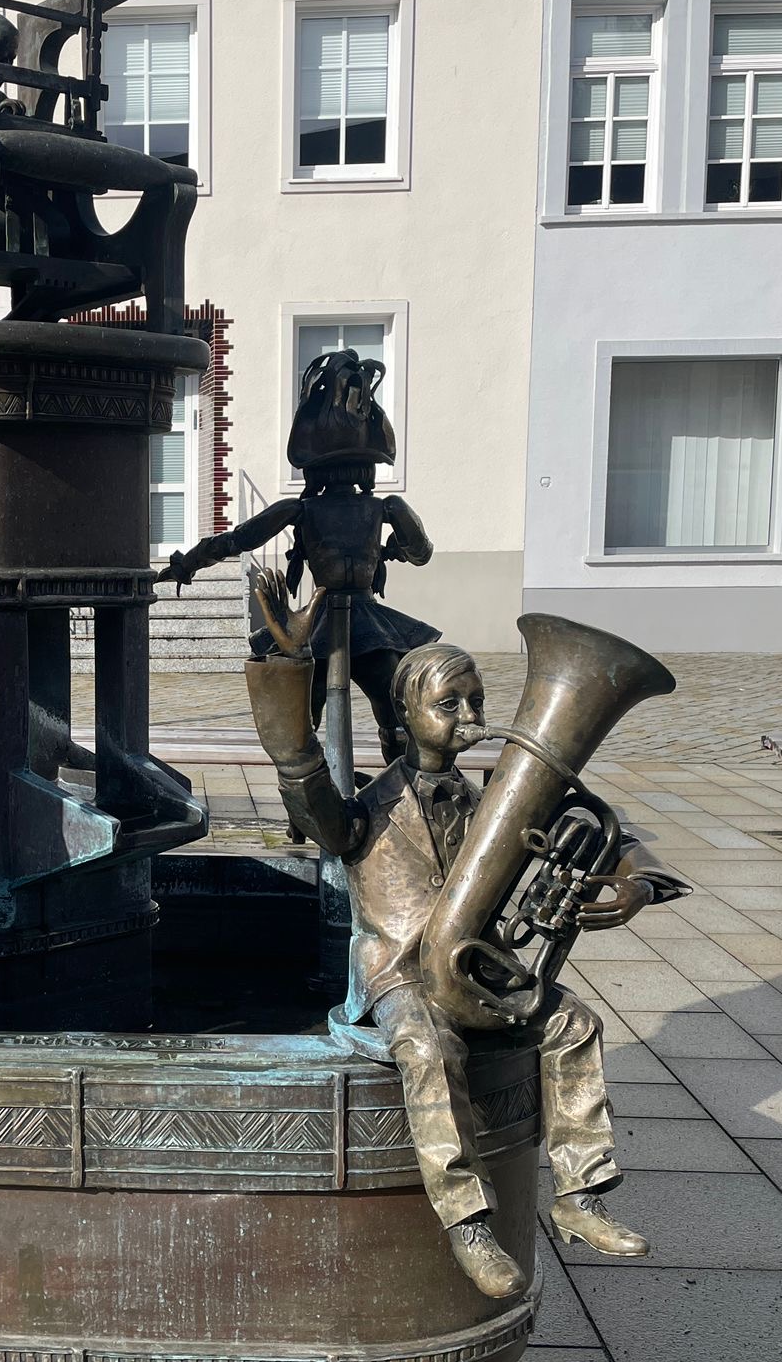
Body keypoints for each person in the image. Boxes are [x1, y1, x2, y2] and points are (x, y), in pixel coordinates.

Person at [245, 571, 659, 1299]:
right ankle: (467, 1222)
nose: (469, 715)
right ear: (405, 716)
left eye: (476, 701)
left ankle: (580, 1195)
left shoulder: (491, 802)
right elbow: (300, 774)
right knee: (428, 1047)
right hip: (399, 974)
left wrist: (637, 882)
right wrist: (287, 668)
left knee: (576, 1024)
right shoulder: (362, 812)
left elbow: (614, 832)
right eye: (448, 704)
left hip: (478, 969)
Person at [156, 349, 437, 760]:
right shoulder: (380, 507)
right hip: (344, 620)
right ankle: (377, 784)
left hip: (353, 620)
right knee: (376, 709)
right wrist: (396, 548)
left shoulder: (317, 508)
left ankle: (363, 784)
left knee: (334, 713)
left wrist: (189, 562)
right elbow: (422, 552)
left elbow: (236, 540)